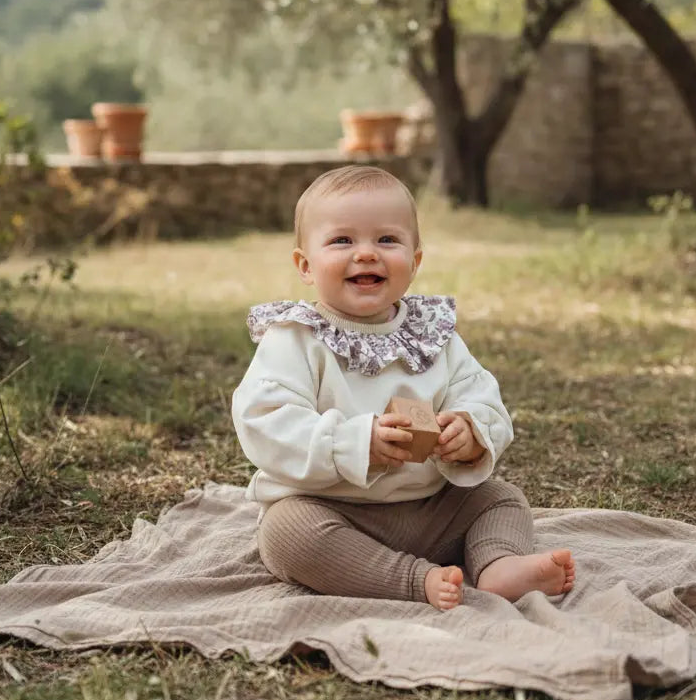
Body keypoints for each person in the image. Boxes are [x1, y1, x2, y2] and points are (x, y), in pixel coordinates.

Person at [232, 165, 575, 611]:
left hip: (430, 508)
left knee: (499, 497)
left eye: (387, 240)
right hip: (334, 509)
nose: (367, 254)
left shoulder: (434, 336)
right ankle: (415, 580)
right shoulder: (296, 339)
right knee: (286, 534)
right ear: (305, 265)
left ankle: (498, 565)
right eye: (342, 240)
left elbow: (478, 392)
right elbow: (265, 418)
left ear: (414, 263)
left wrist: (469, 431)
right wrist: (355, 443)